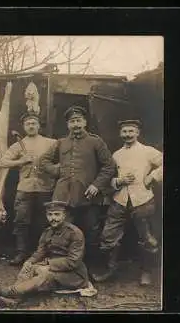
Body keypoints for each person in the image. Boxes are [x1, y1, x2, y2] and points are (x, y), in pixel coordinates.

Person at [39, 105, 116, 268]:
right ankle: (61, 266)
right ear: (68, 124)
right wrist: (57, 170)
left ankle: (91, 268)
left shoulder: (95, 141)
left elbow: (109, 166)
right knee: (62, 231)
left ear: (85, 122)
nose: (76, 124)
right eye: (72, 121)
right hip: (64, 197)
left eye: (79, 120)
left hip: (88, 196)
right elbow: (43, 161)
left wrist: (96, 185)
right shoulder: (60, 143)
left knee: (91, 232)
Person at [92, 120, 163, 285]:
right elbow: (109, 178)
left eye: (131, 131)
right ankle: (110, 269)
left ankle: (146, 272)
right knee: (108, 236)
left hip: (142, 199)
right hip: (119, 200)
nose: (128, 135)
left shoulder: (148, 151)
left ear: (138, 133)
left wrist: (152, 177)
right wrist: (119, 181)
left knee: (147, 238)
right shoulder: (116, 154)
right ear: (120, 134)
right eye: (124, 131)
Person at [0, 201, 93, 308]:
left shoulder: (74, 233)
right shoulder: (47, 232)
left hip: (73, 274)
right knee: (29, 268)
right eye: (50, 215)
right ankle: (16, 300)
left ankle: (10, 292)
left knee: (46, 275)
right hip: (53, 268)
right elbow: (40, 252)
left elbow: (73, 261)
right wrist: (29, 262)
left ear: (64, 215)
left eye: (57, 214)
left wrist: (48, 266)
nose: (53, 218)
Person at [0, 111, 57, 266]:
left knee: (45, 222)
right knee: (21, 221)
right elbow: (3, 162)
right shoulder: (18, 145)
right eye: (28, 124)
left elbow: (62, 160)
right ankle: (21, 253)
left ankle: (45, 253)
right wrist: (21, 161)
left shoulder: (51, 143)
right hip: (25, 188)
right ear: (24, 127)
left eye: (34, 123)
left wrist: (53, 169)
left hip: (45, 188)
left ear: (39, 125)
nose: (31, 126)